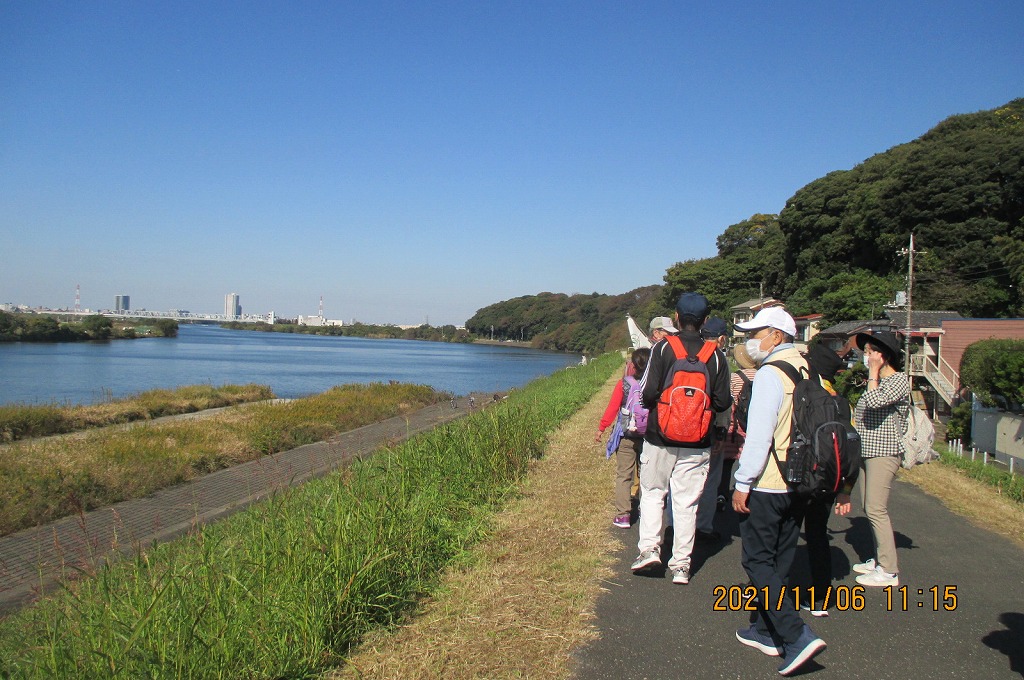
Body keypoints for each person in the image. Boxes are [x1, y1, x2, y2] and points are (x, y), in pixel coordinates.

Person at [731, 306, 827, 676]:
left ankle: (795, 634)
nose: (749, 340)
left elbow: (759, 436)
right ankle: (765, 630)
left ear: (775, 335)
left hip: (770, 480)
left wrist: (742, 483)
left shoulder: (771, 373)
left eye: (756, 332)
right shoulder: (807, 368)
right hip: (801, 480)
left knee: (756, 560)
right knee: (781, 559)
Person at [631, 293, 731, 585]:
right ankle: (681, 566)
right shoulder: (716, 355)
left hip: (659, 435)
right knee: (686, 502)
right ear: (704, 320)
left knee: (652, 492)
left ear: (676, 316)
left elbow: (646, 391)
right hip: (698, 440)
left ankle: (650, 550)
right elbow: (723, 401)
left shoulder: (663, 348)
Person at [797, 343, 857, 616]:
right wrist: (845, 490)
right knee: (818, 534)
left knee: (788, 533)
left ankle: (778, 593)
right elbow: (851, 449)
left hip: (805, 474)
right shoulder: (841, 402)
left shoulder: (808, 395)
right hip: (831, 480)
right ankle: (821, 595)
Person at [851, 330, 907, 588]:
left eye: (872, 351)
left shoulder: (898, 381)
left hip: (884, 452)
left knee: (876, 508)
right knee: (867, 505)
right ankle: (878, 559)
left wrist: (873, 374)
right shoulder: (879, 381)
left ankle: (889, 570)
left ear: (884, 356)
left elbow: (874, 403)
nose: (867, 355)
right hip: (867, 450)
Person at [596, 348, 651, 528]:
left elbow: (612, 408)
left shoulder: (624, 384)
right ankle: (649, 511)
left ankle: (623, 515)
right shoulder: (655, 383)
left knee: (624, 475)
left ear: (633, 365)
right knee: (648, 475)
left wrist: (601, 428)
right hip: (649, 436)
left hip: (626, 434)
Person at [695, 316, 730, 542]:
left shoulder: (687, 352)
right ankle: (703, 528)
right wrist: (721, 431)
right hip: (709, 428)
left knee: (680, 480)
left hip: (681, 427)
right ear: (722, 338)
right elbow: (723, 402)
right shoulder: (719, 359)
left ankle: (675, 527)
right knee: (709, 480)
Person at [716, 343, 758, 510]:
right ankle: (750, 492)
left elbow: (728, 401)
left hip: (736, 426)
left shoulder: (735, 377)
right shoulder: (762, 375)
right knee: (752, 461)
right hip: (753, 425)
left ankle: (722, 494)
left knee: (726, 463)